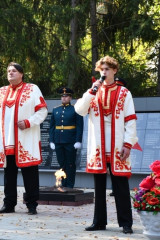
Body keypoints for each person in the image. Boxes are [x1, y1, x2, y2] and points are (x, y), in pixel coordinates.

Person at [74, 56, 137, 234]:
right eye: (102, 69)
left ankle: (126, 223)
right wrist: (91, 92)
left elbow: (130, 120)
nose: (104, 72)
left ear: (115, 71)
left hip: (118, 145)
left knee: (121, 187)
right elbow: (79, 110)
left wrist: (128, 143)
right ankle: (99, 222)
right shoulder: (93, 91)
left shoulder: (124, 93)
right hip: (98, 147)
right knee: (98, 187)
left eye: (108, 69)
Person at [0, 62, 48, 215]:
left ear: (21, 73)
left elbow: (42, 111)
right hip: (6, 141)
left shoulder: (32, 89)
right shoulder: (0, 92)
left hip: (25, 139)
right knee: (8, 174)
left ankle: (32, 204)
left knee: (30, 173)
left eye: (14, 71)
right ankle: (9, 204)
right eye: (9, 71)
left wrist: (29, 122)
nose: (11, 73)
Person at [49, 87, 83, 188]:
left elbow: (79, 126)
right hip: (58, 141)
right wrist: (52, 140)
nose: (64, 98)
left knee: (70, 164)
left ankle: (70, 185)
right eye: (62, 96)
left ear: (70, 98)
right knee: (61, 163)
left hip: (70, 141)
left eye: (66, 96)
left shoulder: (75, 109)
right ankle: (62, 184)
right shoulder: (56, 110)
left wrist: (78, 140)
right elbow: (52, 127)